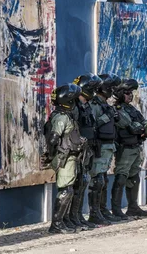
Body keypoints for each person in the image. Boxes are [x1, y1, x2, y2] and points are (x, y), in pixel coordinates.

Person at [44, 83, 86, 234]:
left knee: (73, 187)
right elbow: (53, 138)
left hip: (71, 156)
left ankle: (65, 220)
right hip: (65, 157)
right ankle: (56, 224)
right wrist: (51, 155)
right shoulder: (61, 117)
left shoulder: (67, 115)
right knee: (66, 190)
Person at [66, 73, 103, 231]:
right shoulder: (74, 105)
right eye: (92, 89)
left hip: (87, 149)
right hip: (76, 149)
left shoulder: (86, 105)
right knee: (74, 184)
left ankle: (78, 215)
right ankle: (69, 217)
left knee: (83, 182)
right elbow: (72, 129)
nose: (94, 92)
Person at [112, 79, 147, 219]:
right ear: (121, 94)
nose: (131, 96)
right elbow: (131, 126)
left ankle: (133, 207)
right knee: (121, 177)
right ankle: (116, 209)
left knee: (134, 177)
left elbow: (145, 122)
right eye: (127, 93)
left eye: (131, 93)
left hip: (136, 147)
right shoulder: (117, 110)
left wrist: (146, 128)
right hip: (125, 148)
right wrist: (142, 128)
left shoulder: (132, 109)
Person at [88, 73, 123, 225]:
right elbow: (92, 125)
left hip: (109, 146)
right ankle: (94, 213)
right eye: (110, 88)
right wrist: (107, 116)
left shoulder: (106, 106)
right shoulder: (94, 105)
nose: (112, 91)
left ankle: (102, 210)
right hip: (99, 146)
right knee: (97, 180)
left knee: (104, 180)